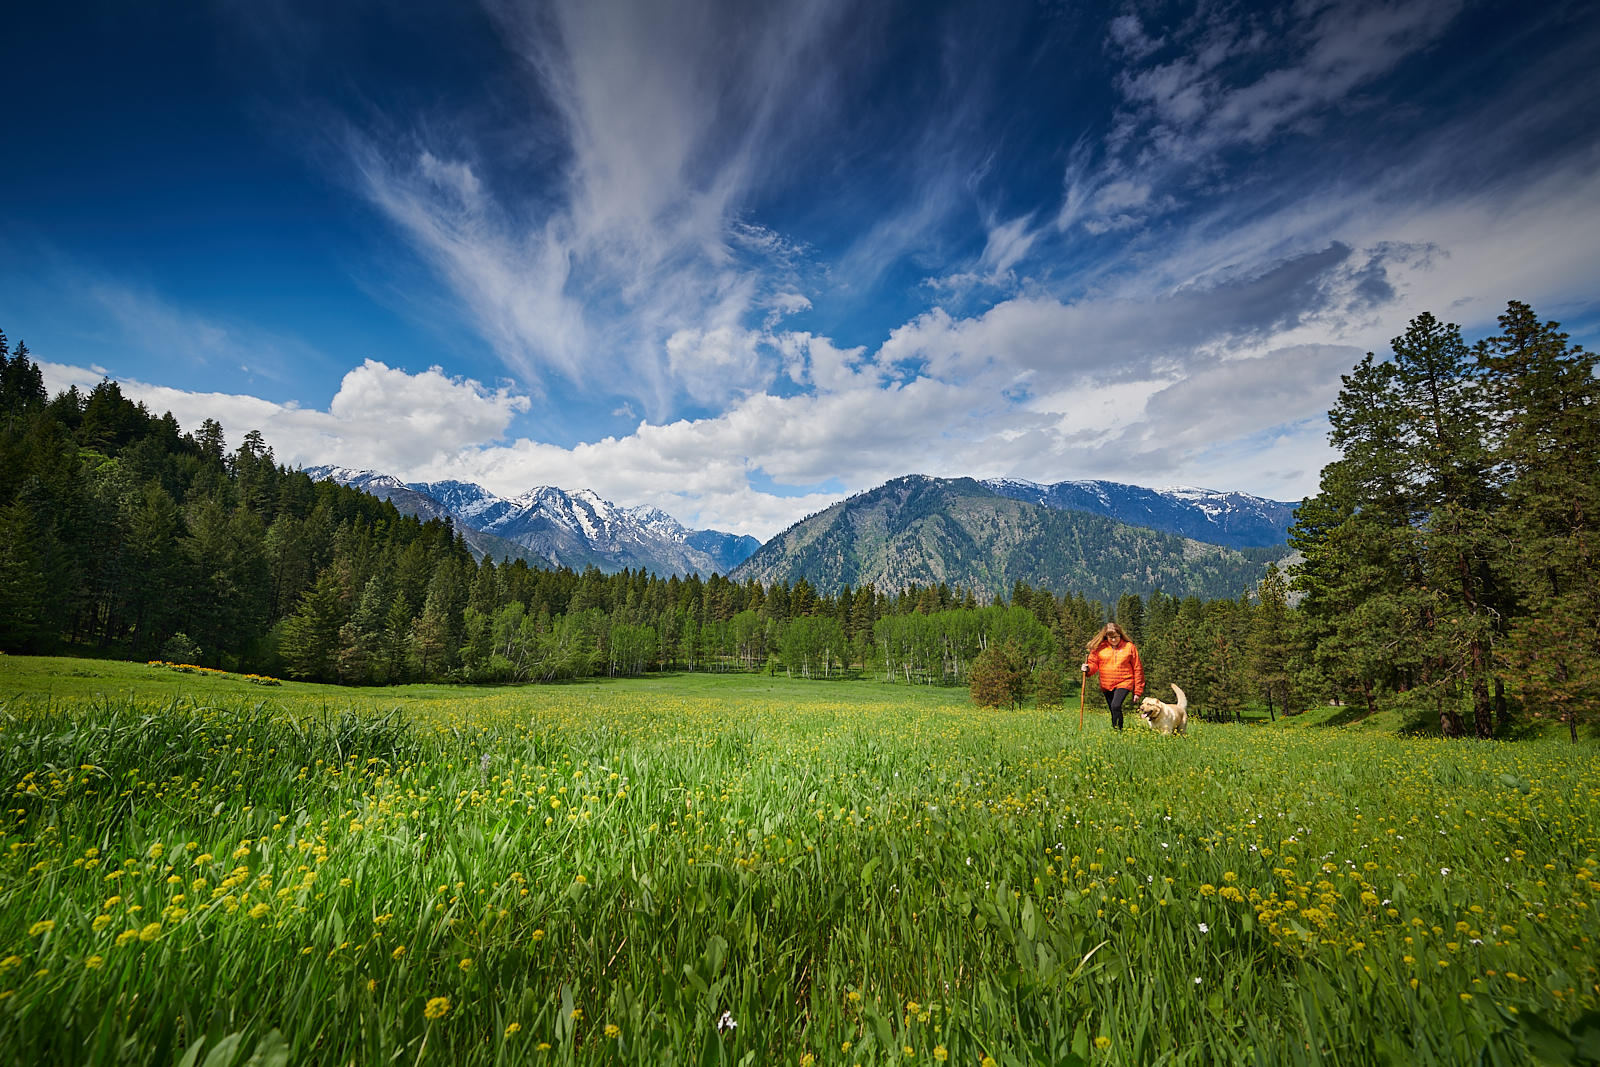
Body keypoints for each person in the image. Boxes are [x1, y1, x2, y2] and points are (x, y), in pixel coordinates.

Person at [1082, 622, 1144, 731]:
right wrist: (1087, 669)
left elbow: (1137, 668)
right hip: (1106, 684)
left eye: (1116, 637)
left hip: (1124, 681)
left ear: (1120, 635)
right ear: (1106, 636)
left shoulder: (1129, 647)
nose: (1114, 639)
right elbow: (1093, 664)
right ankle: (1116, 732)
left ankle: (1118, 731)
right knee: (1113, 709)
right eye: (1111, 637)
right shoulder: (1099, 648)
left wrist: (1137, 691)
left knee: (1116, 705)